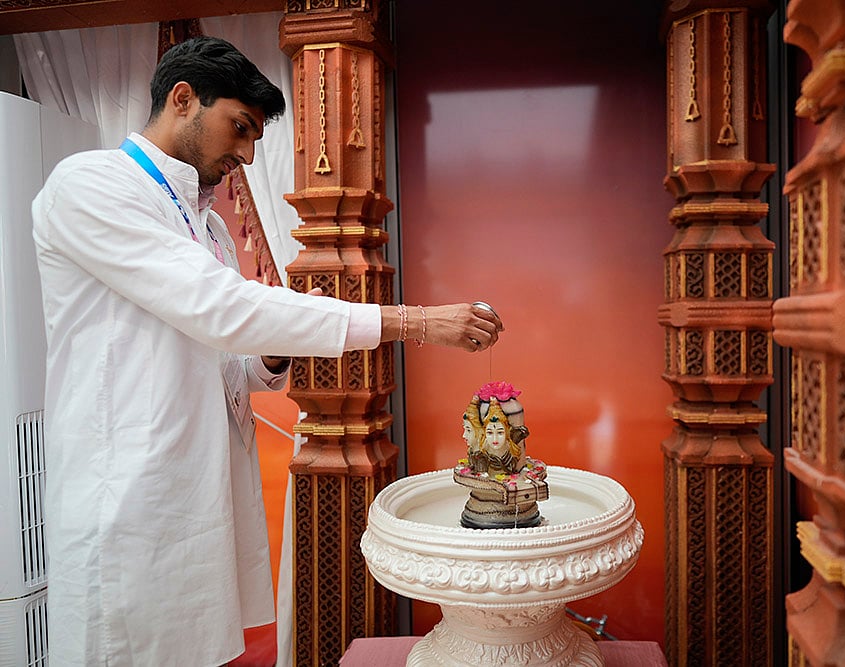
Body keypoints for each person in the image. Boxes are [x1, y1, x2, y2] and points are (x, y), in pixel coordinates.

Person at [31, 36, 502, 666]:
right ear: (182, 99)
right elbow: (222, 309)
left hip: (196, 488)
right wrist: (413, 321)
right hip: (126, 498)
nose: (248, 156)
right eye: (241, 128)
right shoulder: (90, 184)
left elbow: (230, 366)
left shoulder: (210, 225)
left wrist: (273, 349)